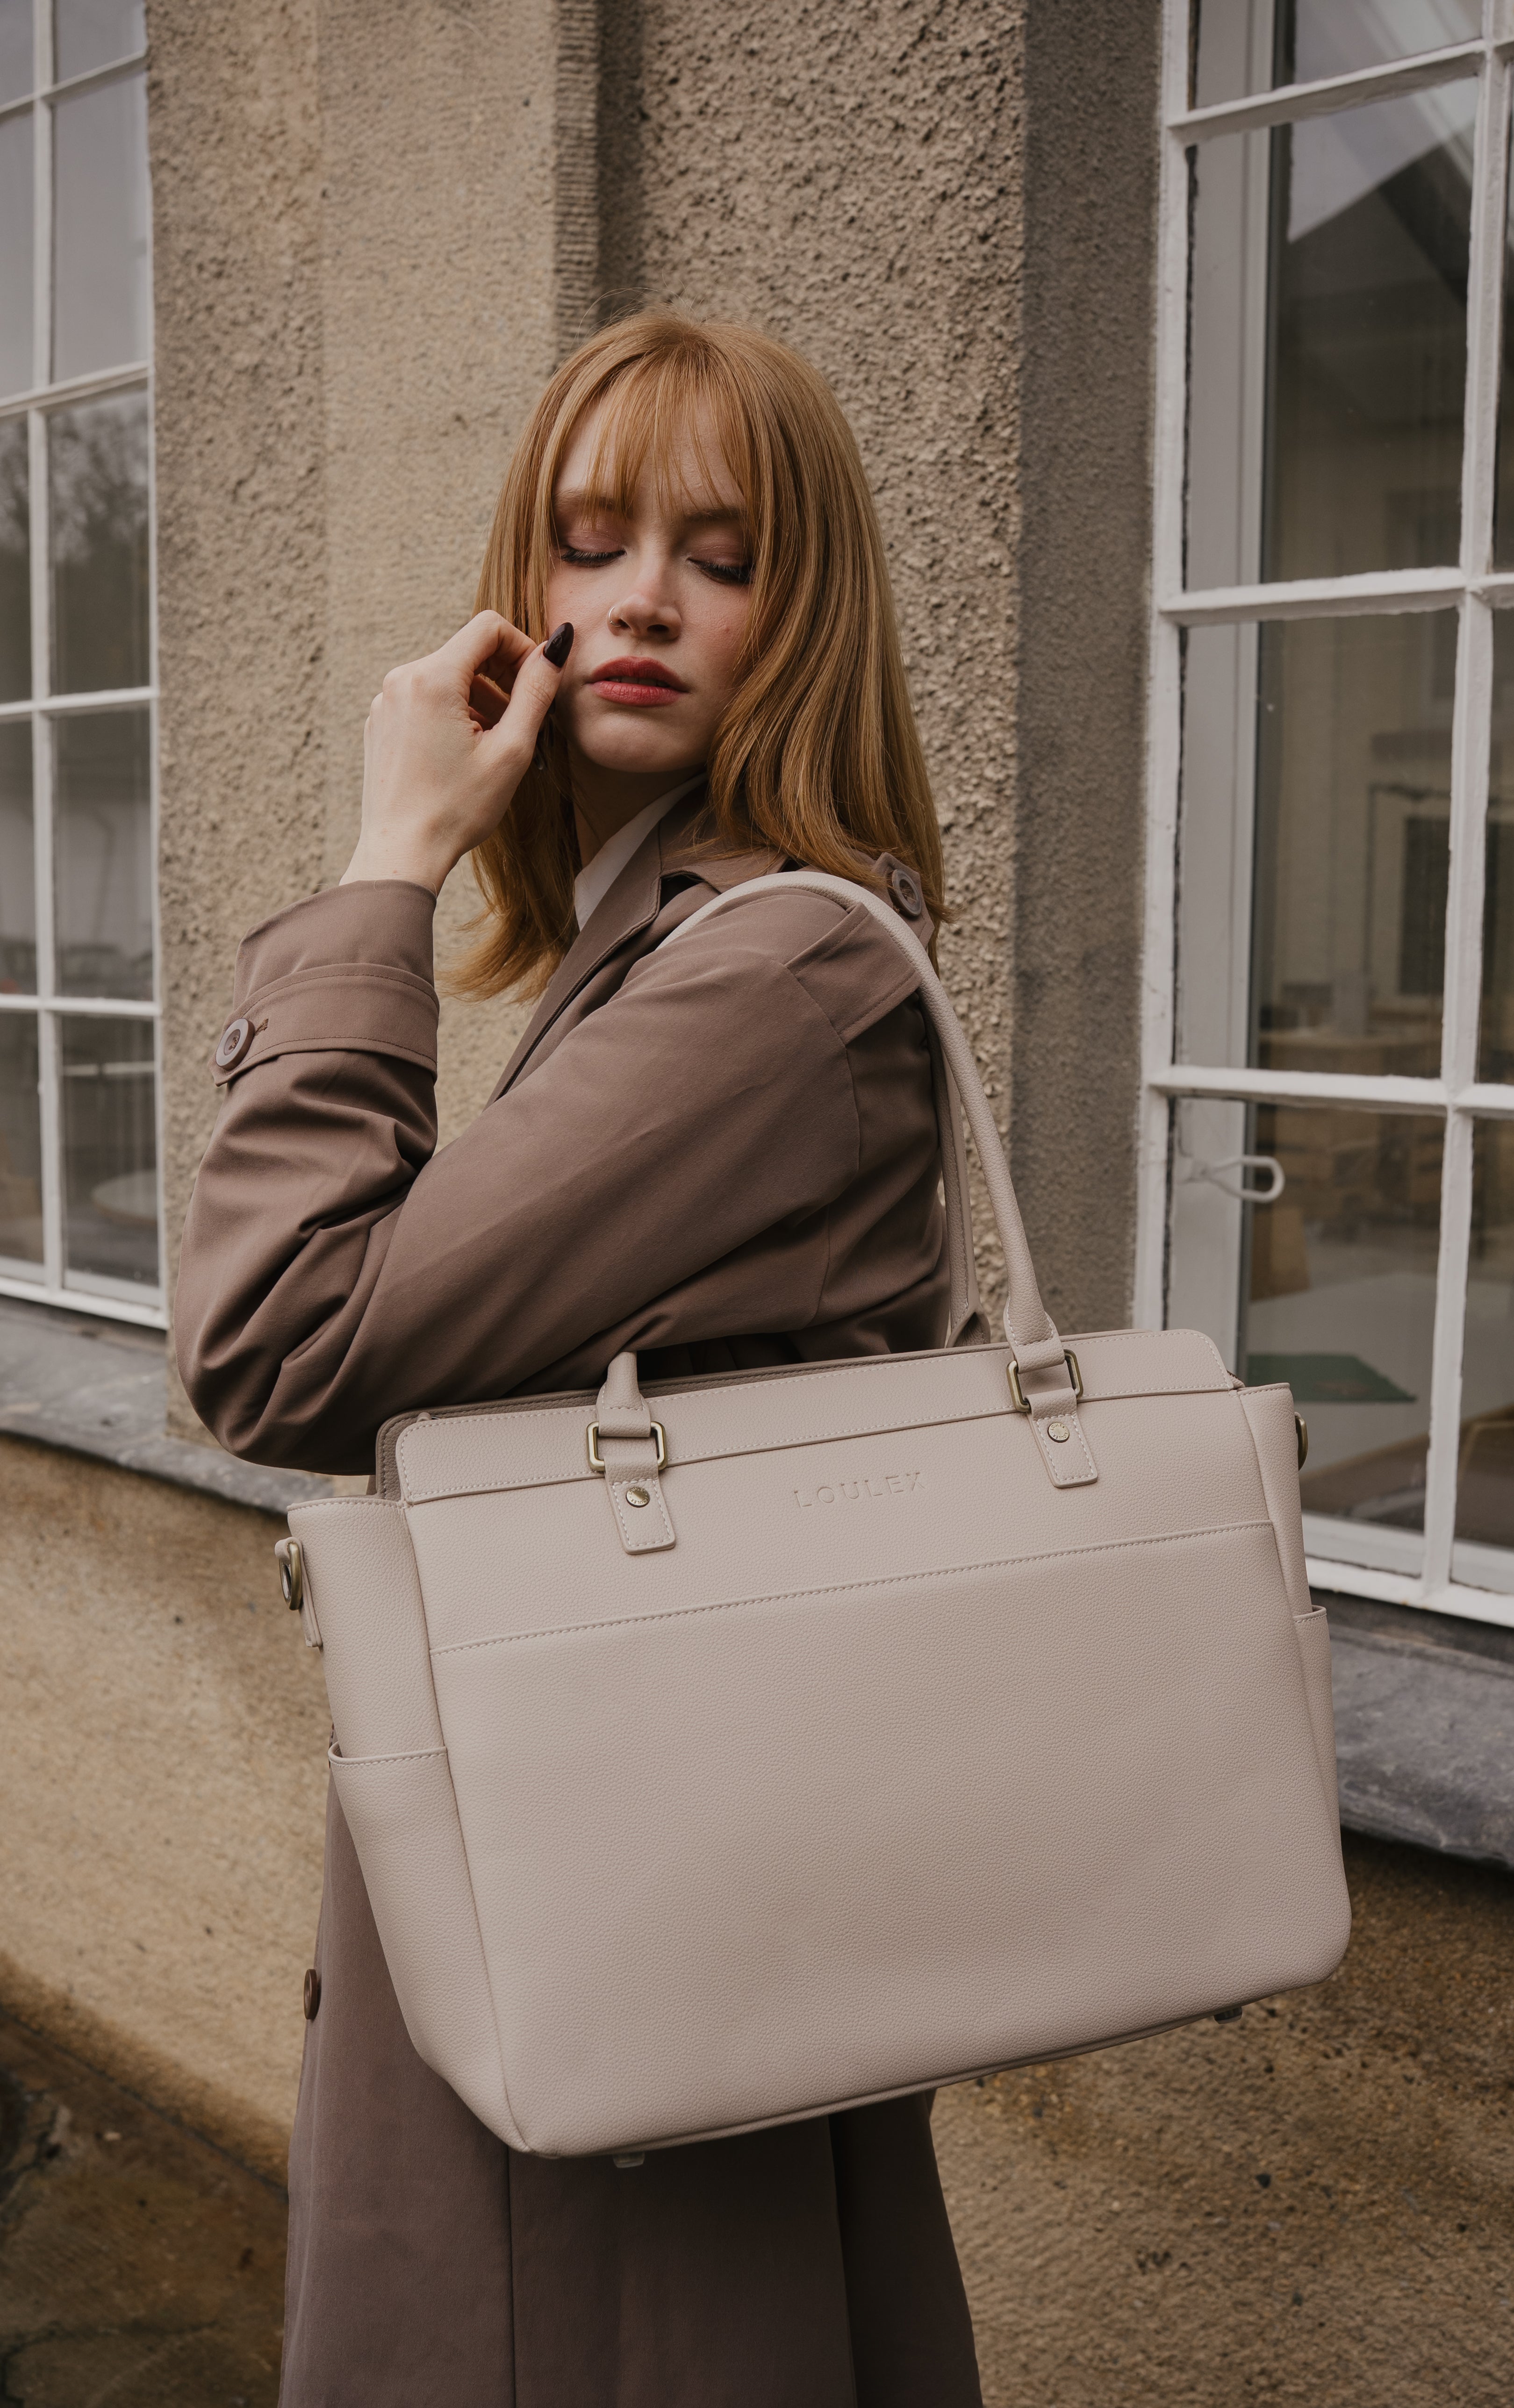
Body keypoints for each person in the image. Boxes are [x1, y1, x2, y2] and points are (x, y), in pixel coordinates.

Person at [175, 311, 984, 2407]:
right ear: (524, 592)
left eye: (719, 556)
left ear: (806, 611)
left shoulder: (775, 974)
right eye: (591, 538)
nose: (639, 600)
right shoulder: (673, 936)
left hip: (618, 1922)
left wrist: (389, 857)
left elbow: (278, 1345)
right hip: (629, 1876)